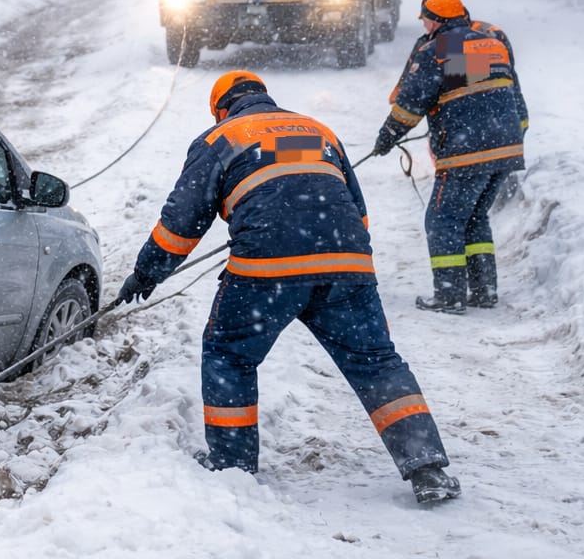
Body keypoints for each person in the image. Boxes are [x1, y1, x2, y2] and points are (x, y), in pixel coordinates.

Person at [119, 70, 461, 504]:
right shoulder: (316, 133)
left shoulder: (221, 137)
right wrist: (343, 263)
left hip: (267, 268)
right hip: (346, 260)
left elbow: (181, 223)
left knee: (229, 354)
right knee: (376, 361)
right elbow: (354, 211)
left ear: (222, 109)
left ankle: (232, 465)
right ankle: (427, 468)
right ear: (265, 97)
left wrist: (147, 272)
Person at [372, 0, 529, 313]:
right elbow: (488, 92)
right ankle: (484, 291)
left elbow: (411, 105)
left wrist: (386, 137)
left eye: (426, 19)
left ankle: (449, 295)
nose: (424, 25)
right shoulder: (489, 44)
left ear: (436, 20)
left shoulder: (438, 50)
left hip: (467, 151)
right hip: (506, 146)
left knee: (442, 220)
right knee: (473, 217)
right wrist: (514, 135)